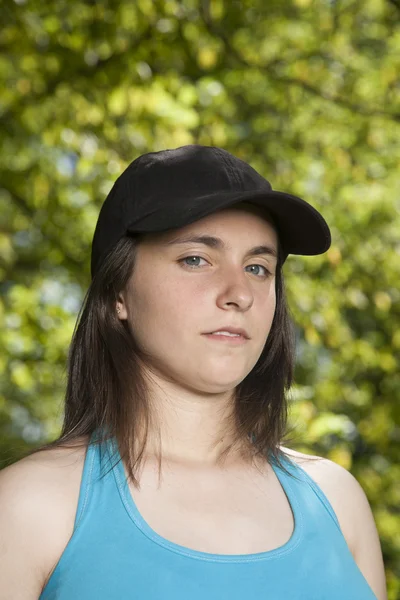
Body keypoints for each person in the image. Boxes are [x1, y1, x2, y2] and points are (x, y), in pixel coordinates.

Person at [0, 145, 387, 599]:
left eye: (259, 268)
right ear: (118, 292)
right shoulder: (30, 506)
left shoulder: (337, 501)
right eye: (196, 260)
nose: (238, 293)